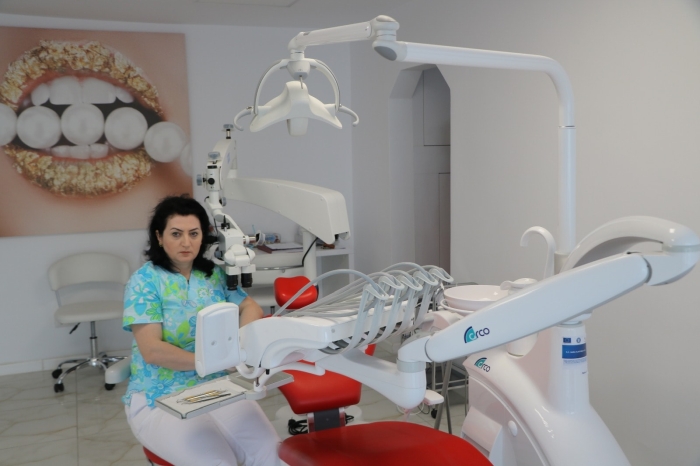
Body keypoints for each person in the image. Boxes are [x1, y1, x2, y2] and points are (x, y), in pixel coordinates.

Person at [122, 194, 280, 466]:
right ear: (159, 236)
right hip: (160, 395)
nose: (186, 242)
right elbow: (152, 350)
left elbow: (250, 307)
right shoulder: (144, 281)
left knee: (271, 454)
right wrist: (211, 361)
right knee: (218, 462)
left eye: (193, 234)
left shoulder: (213, 275)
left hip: (217, 385)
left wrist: (237, 350)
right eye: (176, 234)